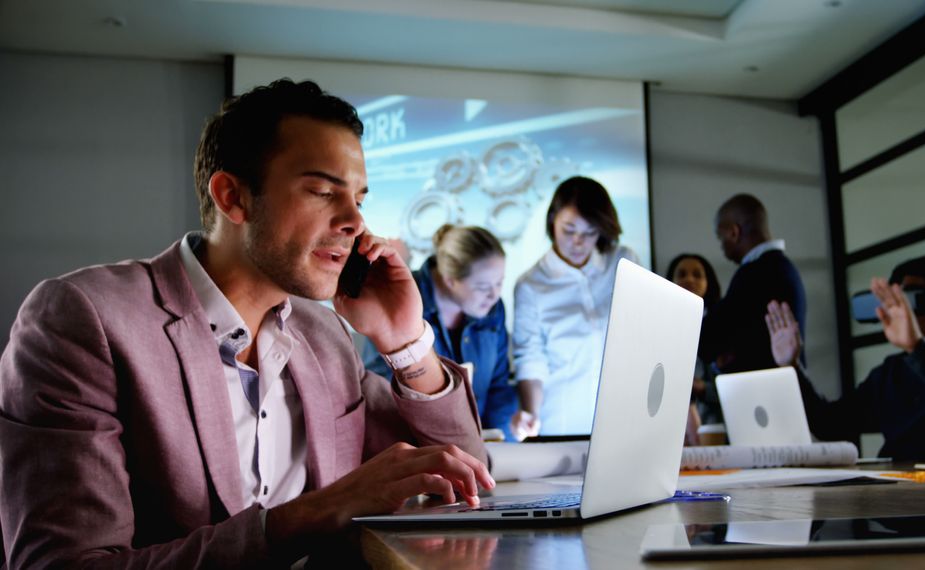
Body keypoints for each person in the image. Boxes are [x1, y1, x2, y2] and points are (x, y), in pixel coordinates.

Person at [0, 79, 495, 567]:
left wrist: (406, 342)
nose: (354, 222)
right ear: (232, 197)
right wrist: (315, 513)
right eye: (324, 191)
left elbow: (465, 475)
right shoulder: (83, 318)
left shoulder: (325, 336)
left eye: (359, 200)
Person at [765, 255, 925, 462]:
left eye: (910, 301)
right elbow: (832, 424)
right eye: (893, 302)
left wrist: (918, 347)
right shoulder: (894, 372)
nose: (901, 313)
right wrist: (791, 367)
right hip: (901, 504)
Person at [510, 176, 638, 438]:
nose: (578, 242)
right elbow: (531, 359)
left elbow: (645, 335)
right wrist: (530, 413)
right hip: (562, 422)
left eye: (590, 232)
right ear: (552, 221)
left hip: (624, 420)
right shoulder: (531, 285)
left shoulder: (623, 262)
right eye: (569, 230)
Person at [364, 224, 517, 439]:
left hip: (481, 444)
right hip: (416, 445)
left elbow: (498, 387)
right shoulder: (398, 297)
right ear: (450, 280)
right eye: (483, 287)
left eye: (500, 283)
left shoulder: (493, 309)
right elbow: (381, 389)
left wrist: (503, 445)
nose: (494, 296)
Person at [701, 194, 807, 374]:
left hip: (767, 393)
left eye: (721, 238)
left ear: (734, 233)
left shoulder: (755, 273)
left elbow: (710, 339)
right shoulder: (785, 268)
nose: (722, 247)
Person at [665, 254, 724, 436]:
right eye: (681, 274)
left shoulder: (723, 326)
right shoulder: (661, 325)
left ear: (709, 283)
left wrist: (701, 387)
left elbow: (737, 390)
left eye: (697, 275)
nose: (689, 279)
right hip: (668, 428)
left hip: (716, 429)